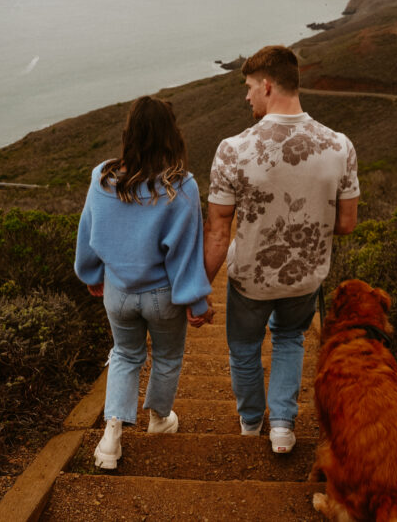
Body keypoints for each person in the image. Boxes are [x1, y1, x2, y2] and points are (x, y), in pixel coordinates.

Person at [204, 45, 359, 454]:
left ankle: (253, 422)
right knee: (291, 338)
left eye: (250, 87)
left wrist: (198, 288)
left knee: (243, 348)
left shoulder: (231, 150)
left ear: (268, 85)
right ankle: (284, 428)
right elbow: (346, 224)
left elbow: (219, 231)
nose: (247, 96)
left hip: (251, 279)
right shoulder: (341, 146)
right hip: (306, 277)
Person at [75, 96, 214, 470]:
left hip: (118, 292)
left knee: (124, 355)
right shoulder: (181, 187)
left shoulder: (102, 177)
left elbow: (88, 231)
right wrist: (198, 303)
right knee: (166, 357)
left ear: (128, 134)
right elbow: (185, 253)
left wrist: (90, 274)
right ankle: (158, 421)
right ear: (172, 136)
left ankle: (111, 439)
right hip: (163, 296)